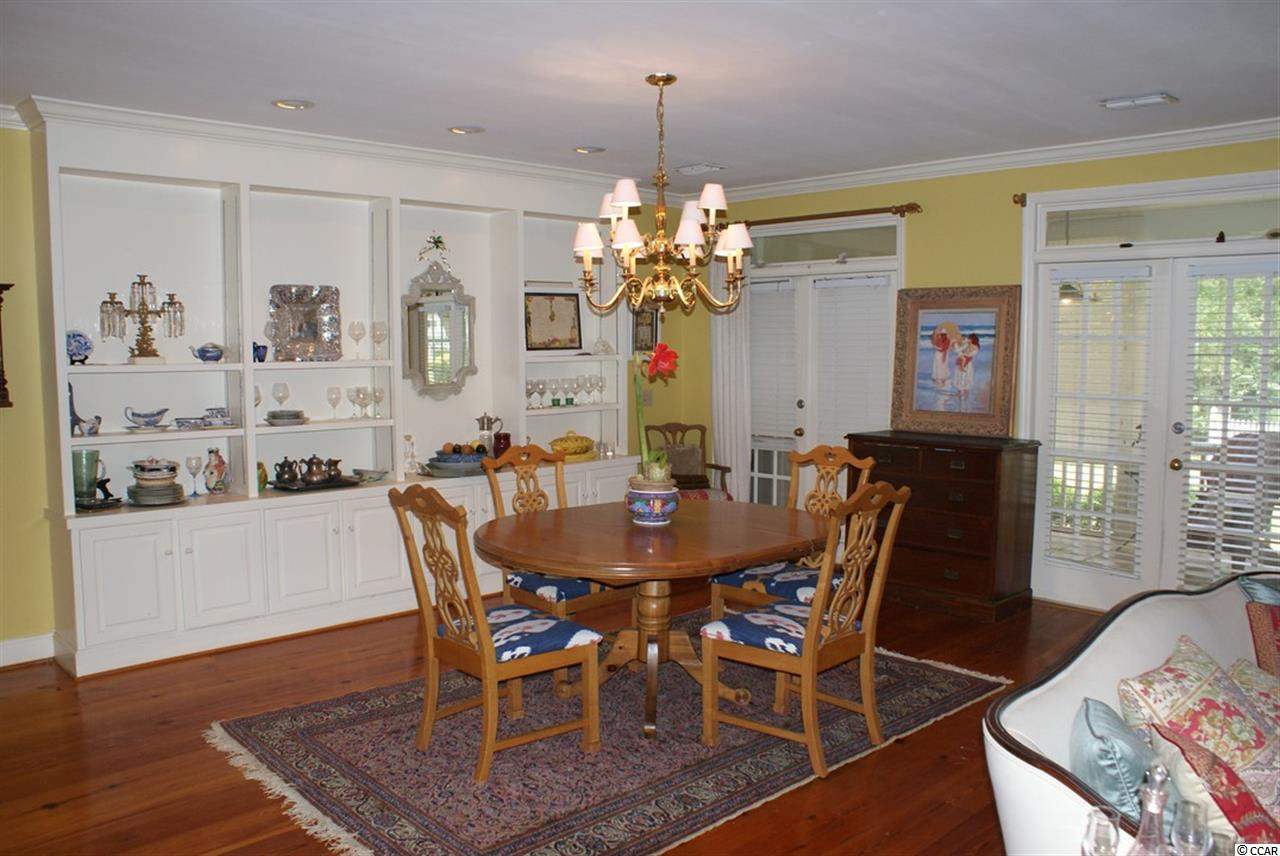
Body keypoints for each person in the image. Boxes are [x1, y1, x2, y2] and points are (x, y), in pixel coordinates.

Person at [955, 333, 980, 400]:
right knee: (959, 376)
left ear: (972, 339)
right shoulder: (966, 345)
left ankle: (966, 393)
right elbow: (958, 350)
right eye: (968, 338)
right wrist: (957, 345)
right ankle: (959, 392)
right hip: (962, 361)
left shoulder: (975, 347)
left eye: (969, 338)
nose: (968, 339)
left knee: (967, 377)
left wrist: (963, 354)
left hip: (968, 363)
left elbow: (971, 354)